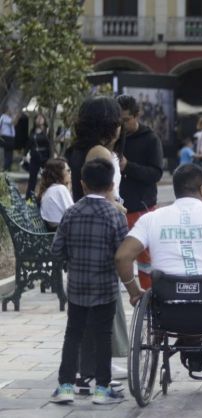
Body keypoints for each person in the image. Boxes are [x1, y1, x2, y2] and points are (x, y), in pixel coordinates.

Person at [115, 163, 202, 371]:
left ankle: (189, 343)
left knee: (172, 302)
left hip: (168, 310)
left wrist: (133, 290)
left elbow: (122, 257)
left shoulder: (151, 219)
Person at [49, 158, 138, 405]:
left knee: (73, 334)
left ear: (82, 184)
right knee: (103, 335)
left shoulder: (71, 212)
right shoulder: (114, 215)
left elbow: (56, 251)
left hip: (77, 286)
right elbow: (122, 254)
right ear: (111, 185)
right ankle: (102, 389)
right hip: (105, 286)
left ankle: (66, 386)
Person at [64, 96, 130, 393]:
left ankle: (87, 369)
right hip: (101, 229)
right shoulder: (100, 151)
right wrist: (117, 207)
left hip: (82, 230)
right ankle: (91, 372)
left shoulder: (78, 149)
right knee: (101, 306)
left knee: (86, 309)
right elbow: (104, 192)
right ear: (110, 124)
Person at [117, 94, 164, 290]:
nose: (122, 125)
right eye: (118, 120)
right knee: (118, 254)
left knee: (146, 257)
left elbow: (155, 174)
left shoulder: (150, 139)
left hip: (141, 208)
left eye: (126, 120)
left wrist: (128, 167)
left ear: (137, 116)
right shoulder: (115, 137)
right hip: (116, 208)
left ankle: (149, 296)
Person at [38, 158, 74, 231]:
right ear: (59, 173)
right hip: (61, 233)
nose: (70, 173)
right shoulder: (60, 189)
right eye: (68, 170)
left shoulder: (51, 189)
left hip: (56, 231)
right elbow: (73, 214)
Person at [26, 113, 52, 199]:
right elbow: (29, 144)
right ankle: (29, 198)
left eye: (41, 118)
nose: (39, 120)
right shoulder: (32, 131)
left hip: (44, 157)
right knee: (32, 179)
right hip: (34, 157)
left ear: (44, 120)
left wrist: (50, 157)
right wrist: (26, 154)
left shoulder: (47, 130)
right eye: (37, 118)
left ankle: (45, 197)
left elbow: (50, 145)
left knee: (46, 178)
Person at [0, 106, 16, 171]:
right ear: (7, 110)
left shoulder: (7, 117)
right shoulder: (3, 117)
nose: (11, 111)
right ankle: (6, 167)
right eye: (9, 110)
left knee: (10, 153)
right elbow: (12, 122)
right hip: (6, 137)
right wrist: (16, 115)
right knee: (7, 153)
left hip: (10, 137)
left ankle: (8, 167)